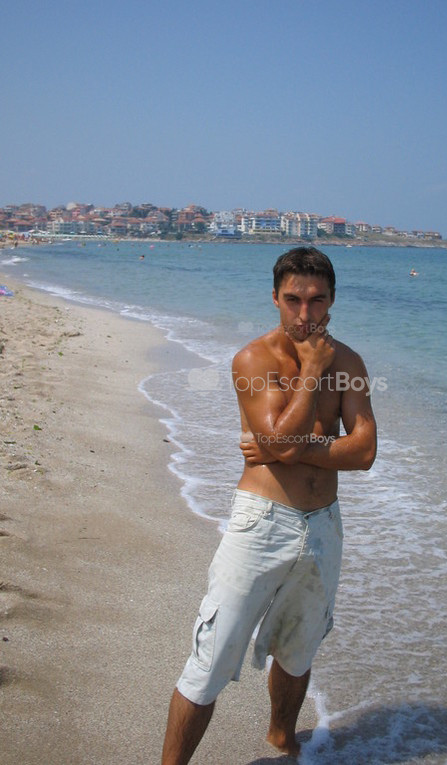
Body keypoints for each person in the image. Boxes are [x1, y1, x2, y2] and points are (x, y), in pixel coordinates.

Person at [161, 247, 377, 763]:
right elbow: (279, 440)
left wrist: (292, 449)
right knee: (211, 660)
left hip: (323, 526)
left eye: (317, 300)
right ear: (275, 298)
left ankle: (283, 739)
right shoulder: (253, 360)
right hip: (262, 523)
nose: (305, 314)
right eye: (293, 300)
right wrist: (313, 370)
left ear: (332, 300)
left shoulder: (350, 364)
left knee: (299, 650)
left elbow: (364, 451)